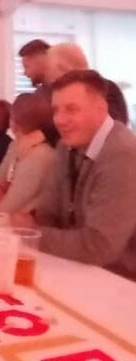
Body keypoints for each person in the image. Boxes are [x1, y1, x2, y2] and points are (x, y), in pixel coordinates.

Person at [12, 69, 136, 280]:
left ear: (101, 109)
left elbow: (100, 247)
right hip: (75, 268)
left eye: (72, 109)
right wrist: (34, 226)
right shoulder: (66, 146)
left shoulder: (123, 154)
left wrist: (32, 233)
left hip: (120, 282)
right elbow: (47, 214)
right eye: (56, 110)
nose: (60, 120)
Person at [0, 92, 57, 216]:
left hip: (25, 224)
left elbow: (12, 206)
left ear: (13, 121)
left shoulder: (40, 155)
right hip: (7, 218)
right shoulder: (14, 146)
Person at [45, 42, 128, 125]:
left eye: (47, 68)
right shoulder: (61, 94)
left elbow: (108, 127)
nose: (46, 74)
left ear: (62, 67)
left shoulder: (105, 90)